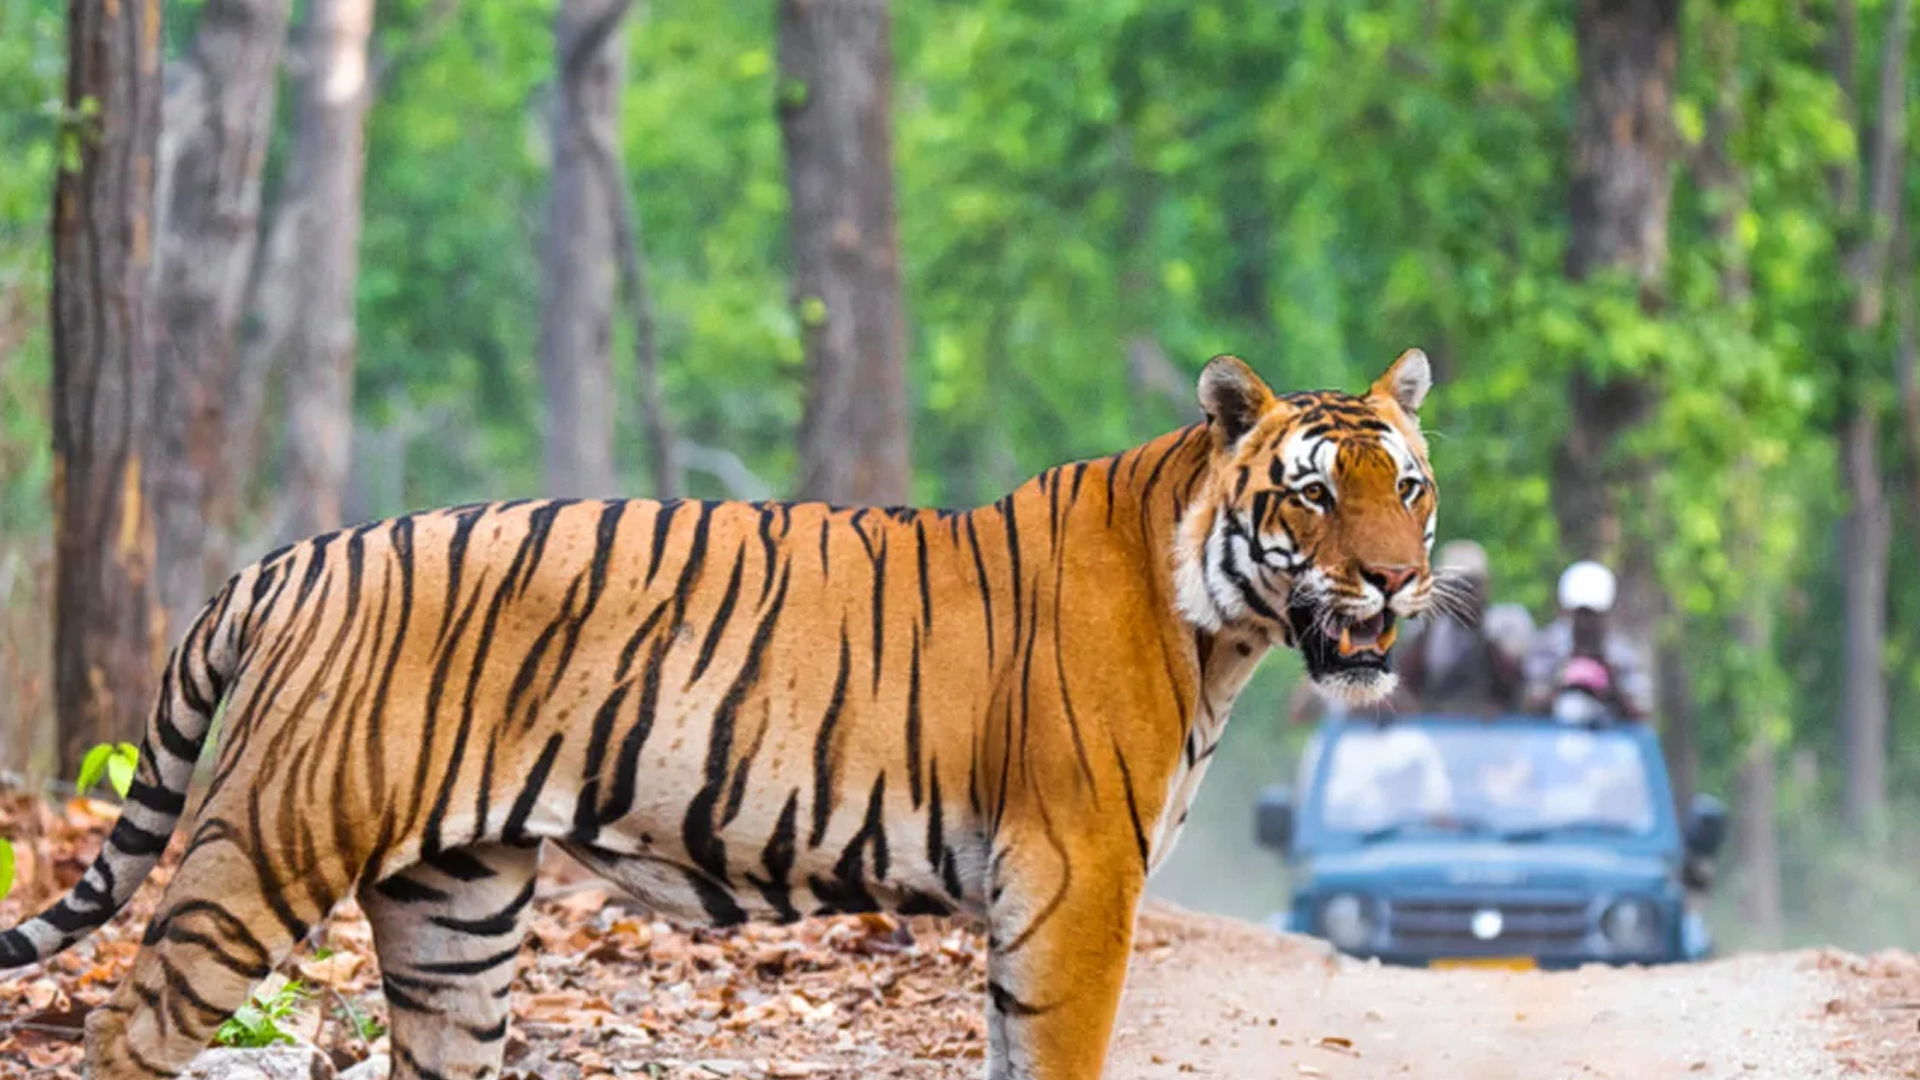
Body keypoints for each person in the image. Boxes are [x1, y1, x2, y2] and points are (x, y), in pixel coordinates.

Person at [1392, 539, 1534, 715]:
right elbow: (1406, 679)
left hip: (1496, 727)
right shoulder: (1427, 627)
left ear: (1486, 585)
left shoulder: (1509, 621)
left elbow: (1516, 677)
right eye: (1454, 586)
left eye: (1470, 584)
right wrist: (1430, 622)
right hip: (1441, 724)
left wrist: (1479, 629)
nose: (1462, 594)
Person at [1522, 560, 1655, 721]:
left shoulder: (1622, 654)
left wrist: (1610, 684)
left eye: (1593, 615)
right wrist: (1563, 682)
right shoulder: (1547, 646)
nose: (1585, 623)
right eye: (1580, 614)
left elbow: (1641, 713)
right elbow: (1527, 704)